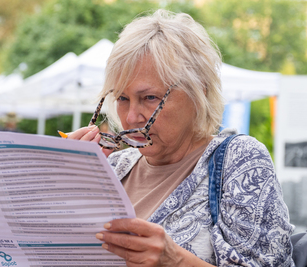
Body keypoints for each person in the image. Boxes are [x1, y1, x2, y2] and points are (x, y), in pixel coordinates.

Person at [68, 9, 294, 266]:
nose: (131, 118)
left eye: (149, 98)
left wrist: (176, 260)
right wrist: (62, 182)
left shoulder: (237, 161)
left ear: (199, 92)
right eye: (122, 98)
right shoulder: (114, 167)